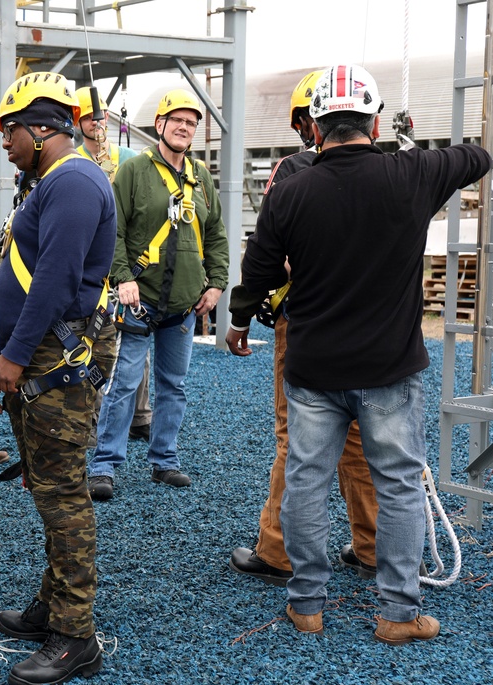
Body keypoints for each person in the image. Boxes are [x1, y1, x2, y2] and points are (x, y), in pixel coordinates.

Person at [241, 64, 491, 643]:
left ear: (317, 126)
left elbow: (256, 272)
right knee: (400, 483)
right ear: (375, 122)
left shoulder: (291, 190)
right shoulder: (414, 173)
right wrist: (408, 146)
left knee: (306, 481)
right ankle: (398, 615)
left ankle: (306, 605)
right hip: (388, 367)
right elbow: (476, 156)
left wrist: (235, 320)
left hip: (313, 367)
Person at [0, 71, 117, 685]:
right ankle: (53, 606)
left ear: (41, 129)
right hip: (40, 357)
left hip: (51, 362)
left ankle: (75, 636)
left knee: (63, 494)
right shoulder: (55, 181)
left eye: (10, 131)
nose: (3, 142)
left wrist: (10, 356)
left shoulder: (73, 183)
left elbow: (57, 280)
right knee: (46, 488)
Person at [226, 71, 380, 586]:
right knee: (360, 440)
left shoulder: (293, 173)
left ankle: (279, 552)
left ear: (307, 123)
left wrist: (242, 316)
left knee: (297, 437)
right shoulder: (385, 172)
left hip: (308, 323)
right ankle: (375, 547)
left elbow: (269, 255)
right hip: (371, 328)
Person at [87, 89, 229, 494]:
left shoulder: (200, 177)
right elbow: (111, 228)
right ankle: (105, 464)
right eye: (177, 121)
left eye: (191, 123)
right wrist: (121, 278)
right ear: (160, 126)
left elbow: (216, 232)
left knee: (174, 385)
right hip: (139, 299)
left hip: (184, 304)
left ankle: (164, 460)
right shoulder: (135, 172)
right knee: (126, 383)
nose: (184, 128)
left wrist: (217, 283)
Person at [73, 86, 150, 500]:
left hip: (121, 261)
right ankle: (90, 421)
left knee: (133, 345)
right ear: (79, 122)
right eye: (90, 118)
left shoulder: (124, 159)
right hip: (89, 265)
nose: (96, 124)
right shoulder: (72, 159)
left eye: (101, 119)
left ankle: (139, 416)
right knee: (92, 343)